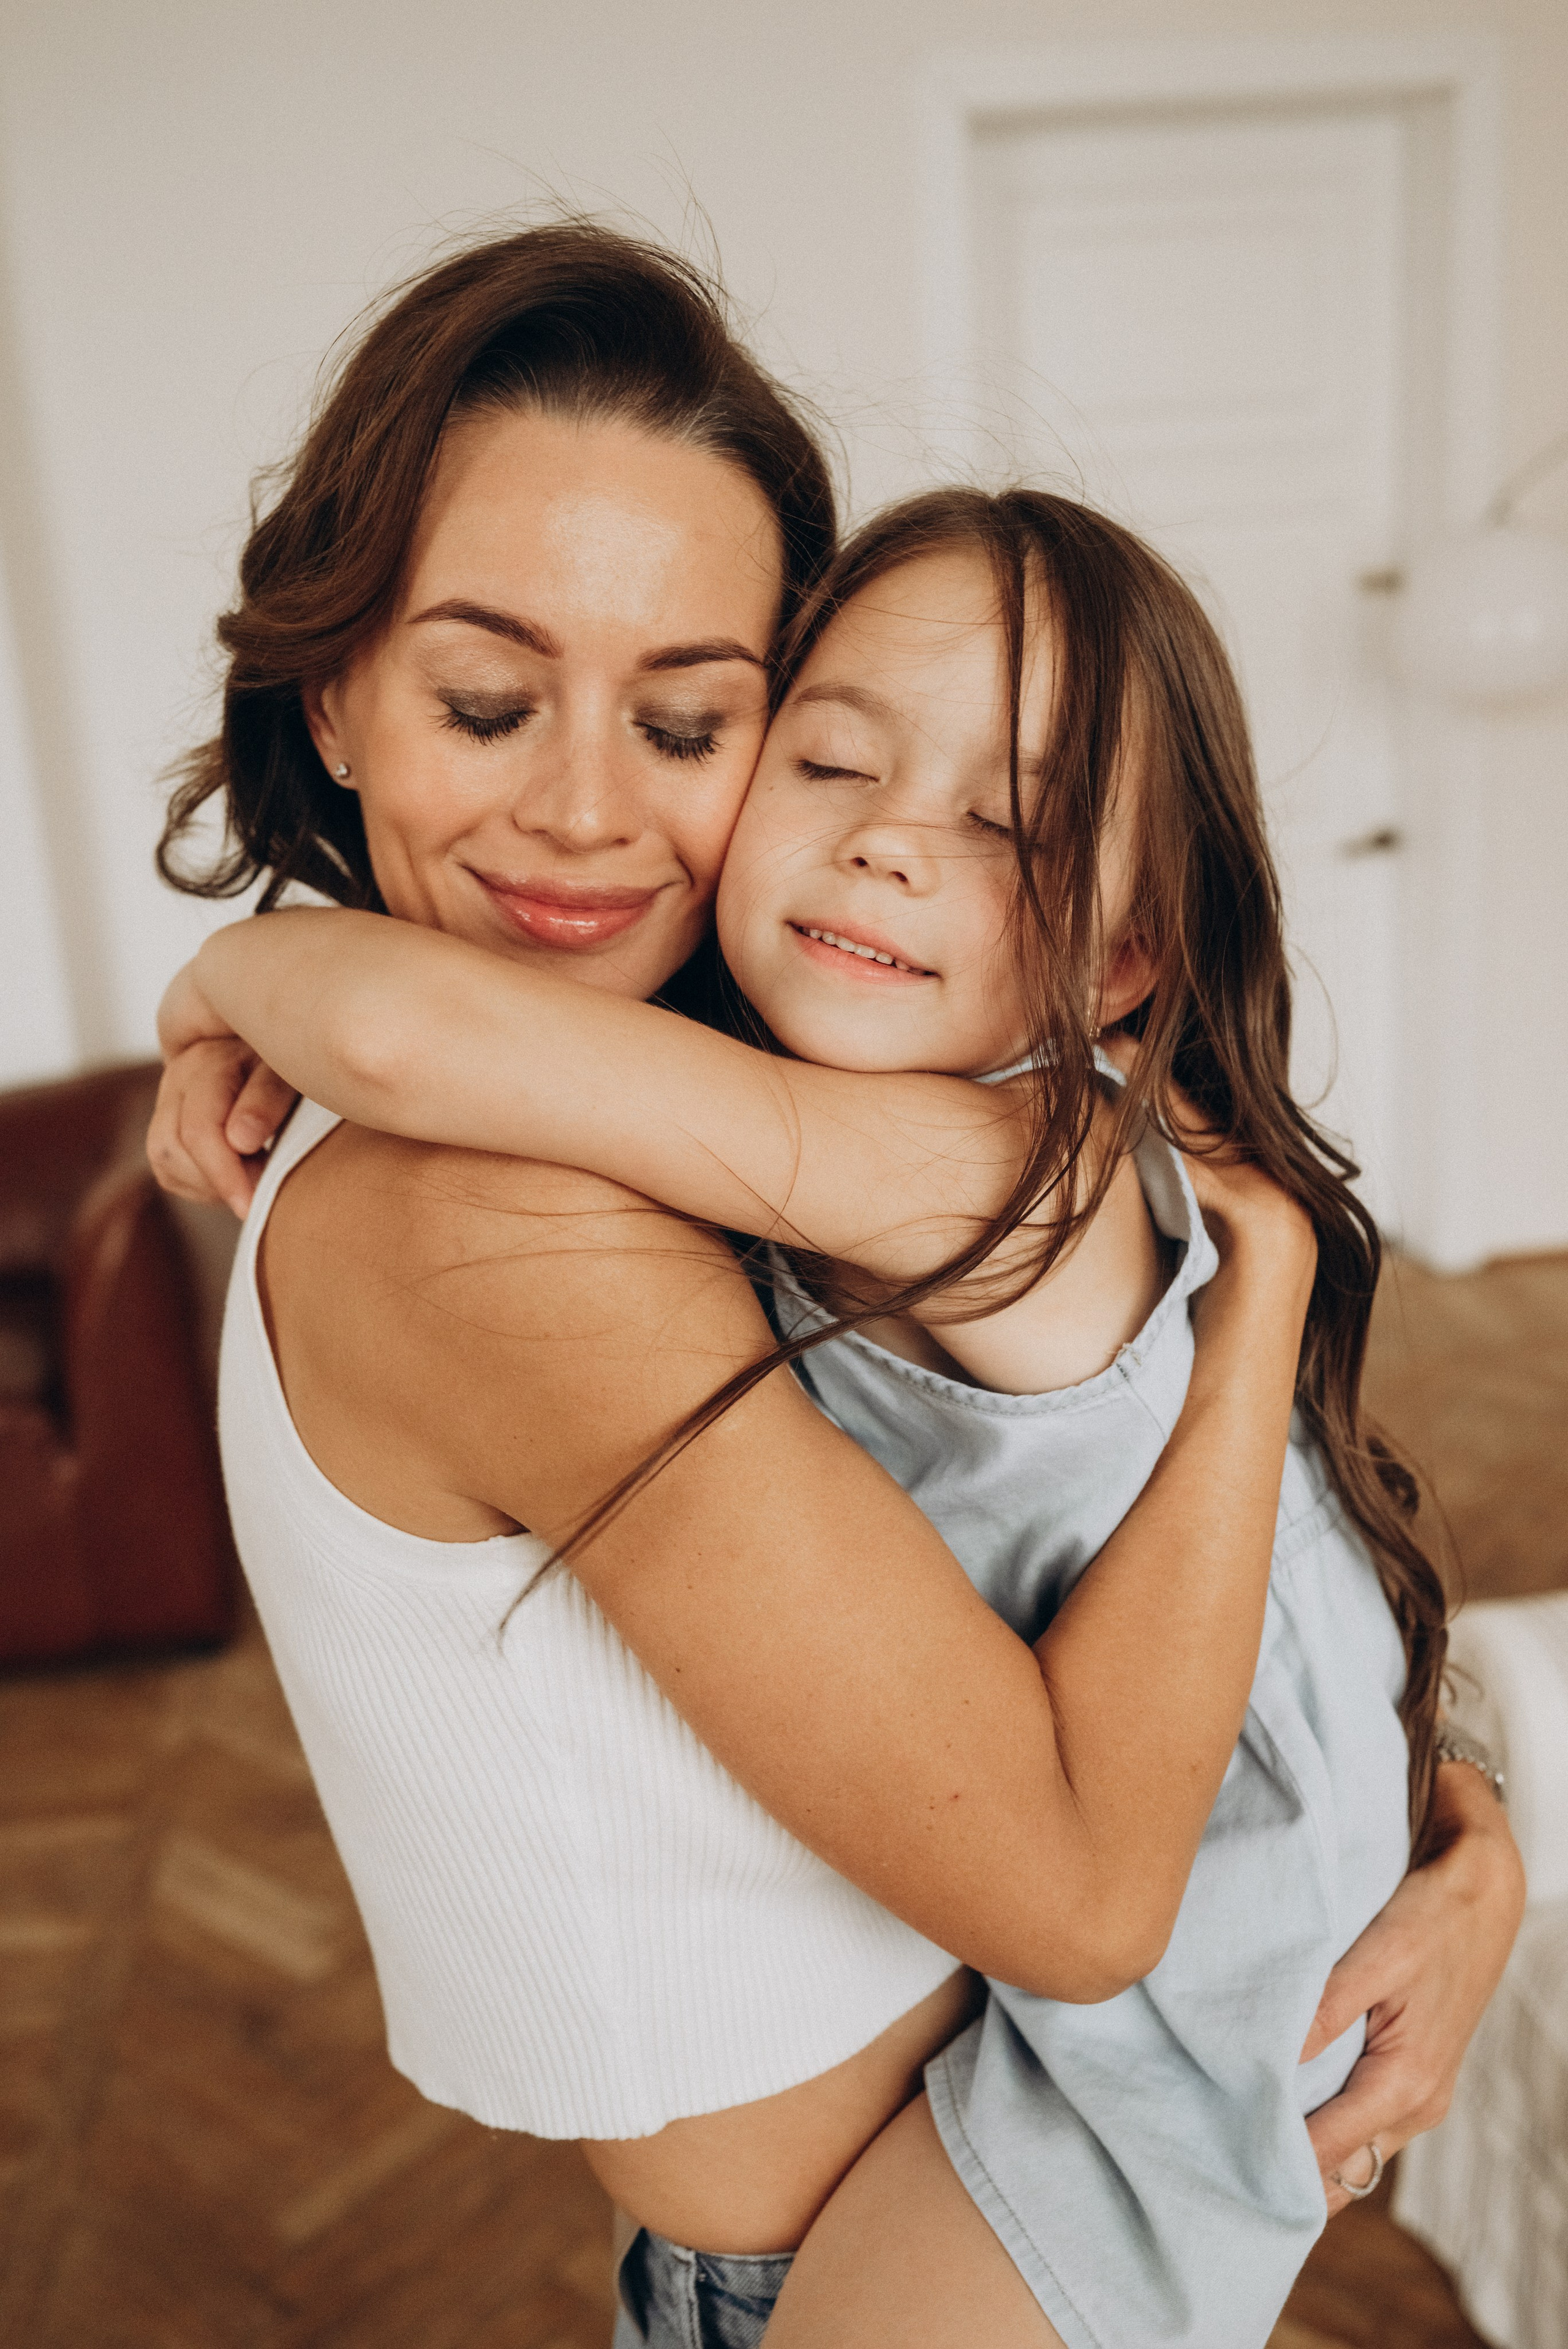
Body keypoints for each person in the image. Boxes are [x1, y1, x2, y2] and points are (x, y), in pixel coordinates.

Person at [149, 222, 1523, 2349]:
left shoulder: (820, 1112)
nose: (589, 810)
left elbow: (1175, 1651)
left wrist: (1463, 1824)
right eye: (489, 697)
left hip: (989, 2192)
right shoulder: (489, 1211)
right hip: (892, 2220)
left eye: (690, 720)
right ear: (328, 684)